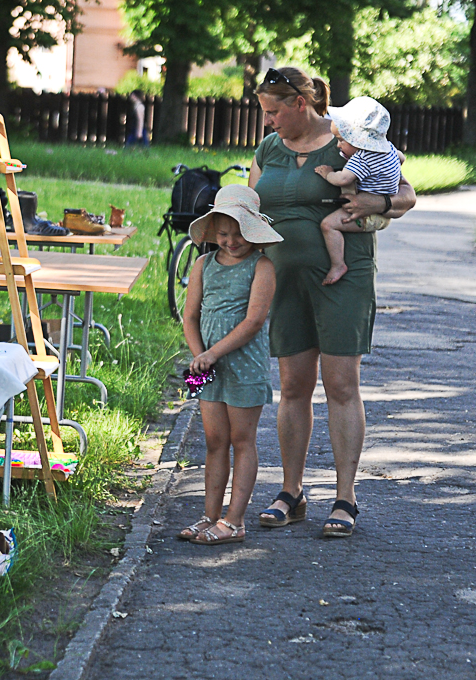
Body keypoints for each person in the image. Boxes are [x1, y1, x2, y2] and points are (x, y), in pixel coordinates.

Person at [250, 67, 415, 538]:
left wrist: (376, 205)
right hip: (284, 279)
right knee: (292, 385)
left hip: (344, 275)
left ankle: (345, 498)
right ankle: (292, 492)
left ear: (300, 104)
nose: (268, 121)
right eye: (265, 113)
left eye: (274, 112)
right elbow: (250, 208)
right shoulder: (269, 149)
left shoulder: (350, 138)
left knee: (341, 384)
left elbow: (406, 194)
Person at [178, 185, 279, 545]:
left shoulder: (262, 266)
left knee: (241, 439)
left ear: (254, 232)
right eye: (223, 233)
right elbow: (190, 316)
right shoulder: (203, 265)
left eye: (239, 233)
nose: (231, 241)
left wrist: (213, 354)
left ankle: (234, 521)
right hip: (209, 368)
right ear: (212, 232)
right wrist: (200, 356)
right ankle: (210, 515)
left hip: (244, 367)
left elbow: (253, 321)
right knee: (214, 440)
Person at [314, 96, 402, 285]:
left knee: (328, 225)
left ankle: (338, 264)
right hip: (385, 210)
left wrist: (328, 173)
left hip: (368, 214)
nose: (338, 145)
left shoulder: (362, 158)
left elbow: (343, 179)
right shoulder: (389, 149)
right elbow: (401, 158)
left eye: (341, 140)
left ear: (359, 140)